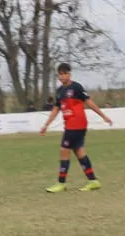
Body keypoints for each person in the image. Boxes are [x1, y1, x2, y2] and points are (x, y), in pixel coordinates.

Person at [39, 62, 110, 192]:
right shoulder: (60, 91)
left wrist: (103, 115)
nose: (61, 77)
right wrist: (46, 125)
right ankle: (93, 181)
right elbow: (56, 109)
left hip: (76, 124)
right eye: (59, 75)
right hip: (71, 125)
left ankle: (61, 183)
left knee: (64, 150)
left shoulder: (76, 87)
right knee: (79, 152)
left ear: (69, 74)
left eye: (63, 74)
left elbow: (89, 102)